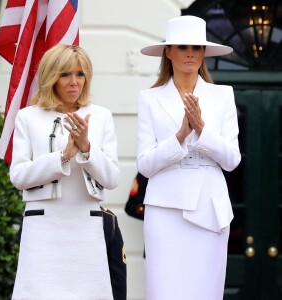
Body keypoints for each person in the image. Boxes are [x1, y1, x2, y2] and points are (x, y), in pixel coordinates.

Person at [10, 44, 126, 299]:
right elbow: (18, 176)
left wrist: (86, 150)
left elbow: (112, 178)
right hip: (43, 228)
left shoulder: (101, 116)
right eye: (65, 74)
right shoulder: (27, 117)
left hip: (86, 227)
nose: (74, 82)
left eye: (80, 74)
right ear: (51, 77)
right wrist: (63, 157)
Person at [137, 15, 241, 300]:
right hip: (165, 209)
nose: (191, 53)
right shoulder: (150, 98)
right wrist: (180, 136)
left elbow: (232, 159)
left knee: (205, 291)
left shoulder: (222, 95)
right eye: (183, 47)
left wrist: (202, 131)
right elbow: (144, 165)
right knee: (164, 290)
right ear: (168, 52)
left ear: (204, 53)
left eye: (197, 47)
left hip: (210, 208)